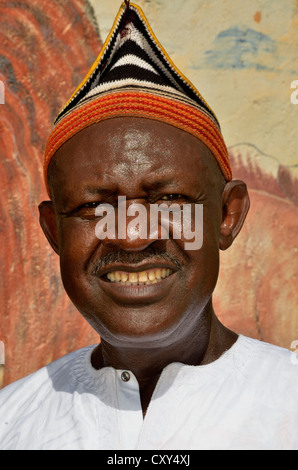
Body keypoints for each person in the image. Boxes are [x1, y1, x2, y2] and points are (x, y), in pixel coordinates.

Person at [0, 1, 297, 450]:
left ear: (228, 216)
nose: (133, 235)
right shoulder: (13, 423)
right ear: (54, 232)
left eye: (170, 199)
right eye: (95, 207)